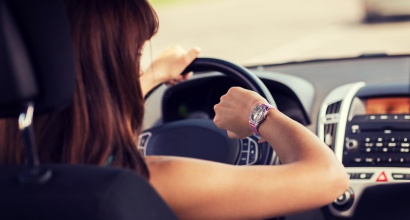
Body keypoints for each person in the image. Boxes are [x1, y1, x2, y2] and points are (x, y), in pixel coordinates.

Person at [0, 0, 349, 219]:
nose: (137, 68)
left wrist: (149, 76)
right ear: (106, 73)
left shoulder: (15, 175)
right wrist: (259, 113)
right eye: (134, 57)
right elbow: (328, 177)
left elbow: (80, 109)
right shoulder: (141, 184)